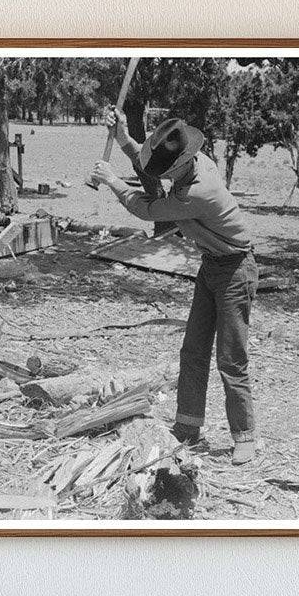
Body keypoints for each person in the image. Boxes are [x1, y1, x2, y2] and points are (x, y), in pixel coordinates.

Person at [90, 111, 258, 465]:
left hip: (235, 271)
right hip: (211, 266)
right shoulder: (191, 164)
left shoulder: (200, 191)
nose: (162, 175)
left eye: (166, 172)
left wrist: (112, 181)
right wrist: (122, 136)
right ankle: (187, 425)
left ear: (179, 167)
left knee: (231, 359)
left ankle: (245, 436)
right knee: (193, 351)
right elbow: (151, 165)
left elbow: (145, 208)